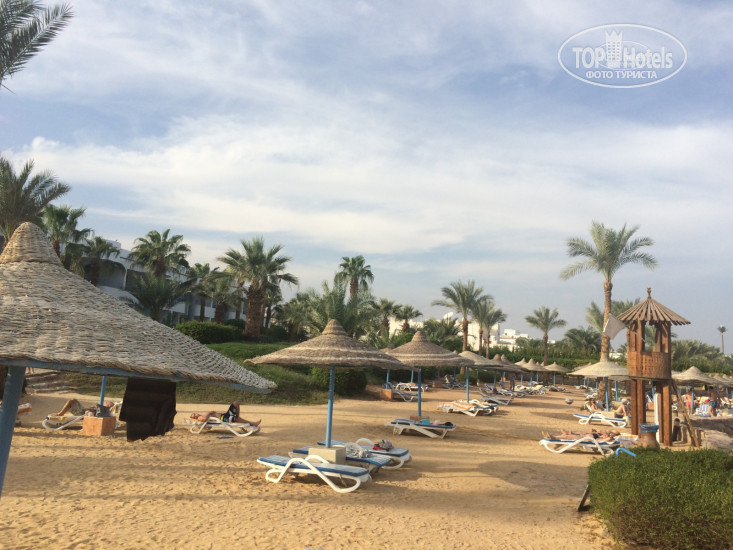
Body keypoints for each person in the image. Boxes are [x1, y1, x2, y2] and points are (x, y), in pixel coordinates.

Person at [190, 402, 260, 427]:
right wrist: (210, 412)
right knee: (236, 419)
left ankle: (237, 417)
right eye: (194, 416)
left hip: (225, 415)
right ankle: (253, 423)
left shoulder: (202, 415)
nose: (195, 415)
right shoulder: (200, 418)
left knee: (235, 403)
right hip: (223, 419)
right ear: (195, 418)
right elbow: (204, 419)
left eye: (194, 414)